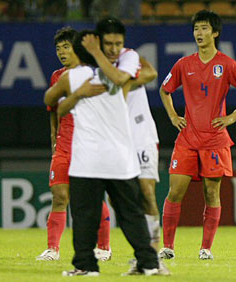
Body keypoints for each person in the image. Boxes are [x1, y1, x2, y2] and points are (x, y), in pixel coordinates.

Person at [45, 30, 167, 276]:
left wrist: (78, 94)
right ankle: (149, 262)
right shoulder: (119, 78)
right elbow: (149, 73)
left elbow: (52, 102)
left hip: (89, 158)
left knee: (84, 213)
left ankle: (85, 265)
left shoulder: (74, 78)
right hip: (120, 157)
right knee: (130, 212)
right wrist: (126, 55)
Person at [158, 10, 236, 260]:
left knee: (211, 194)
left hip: (215, 140)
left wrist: (232, 117)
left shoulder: (226, 64)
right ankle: (168, 247)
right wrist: (173, 116)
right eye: (196, 29)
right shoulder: (184, 64)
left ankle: (205, 249)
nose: (199, 33)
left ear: (215, 32)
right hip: (187, 139)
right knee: (174, 192)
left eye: (204, 28)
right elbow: (165, 90)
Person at [82, 17, 161, 252]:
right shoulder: (88, 65)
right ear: (99, 41)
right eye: (108, 44)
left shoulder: (129, 56)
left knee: (146, 193)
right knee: (120, 201)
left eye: (118, 43)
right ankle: (140, 252)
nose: (114, 49)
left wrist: (123, 82)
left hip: (140, 134)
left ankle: (154, 251)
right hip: (114, 139)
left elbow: (120, 78)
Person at [37, 27, 111, 261]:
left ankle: (104, 247)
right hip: (64, 145)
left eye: (66, 47)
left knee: (93, 198)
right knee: (59, 195)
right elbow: (53, 111)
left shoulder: (93, 74)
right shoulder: (57, 76)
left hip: (88, 145)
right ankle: (52, 249)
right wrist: (53, 139)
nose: (61, 52)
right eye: (58, 48)